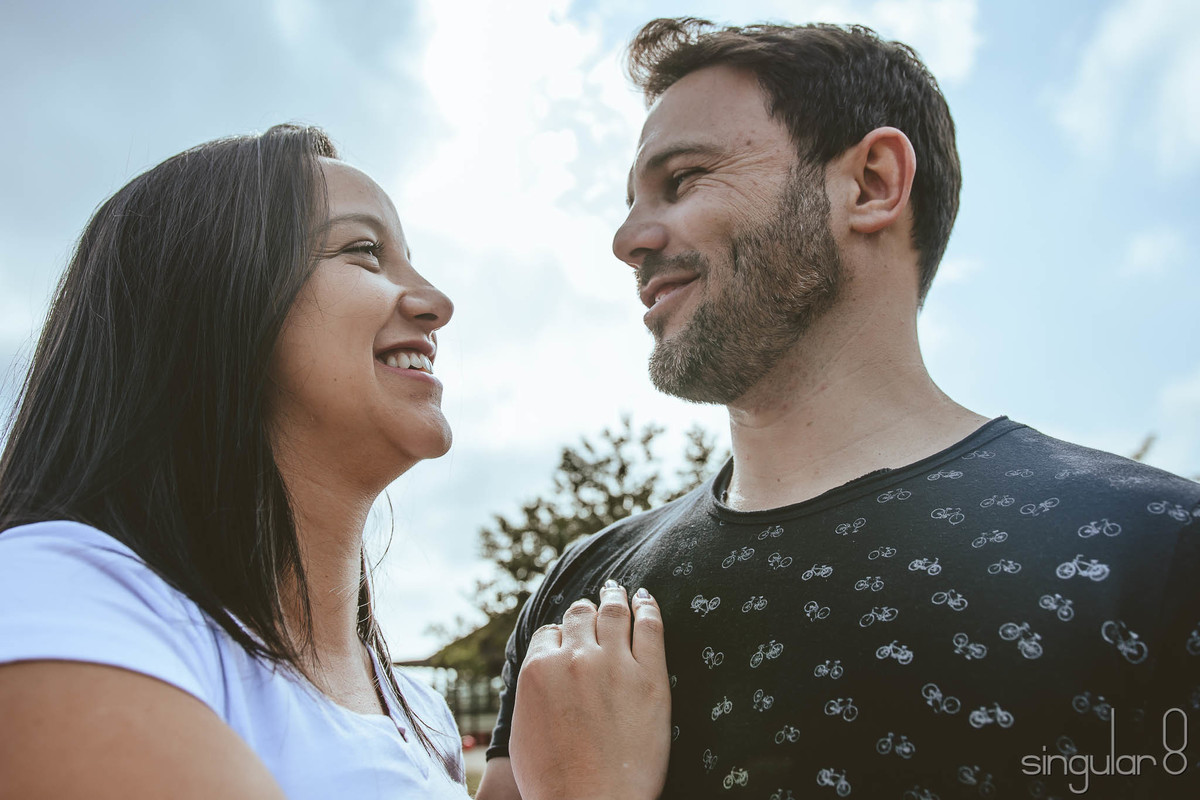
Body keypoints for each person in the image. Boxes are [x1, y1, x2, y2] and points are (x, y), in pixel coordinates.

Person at [480, 18, 1200, 799]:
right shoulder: (581, 594)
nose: (627, 238)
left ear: (872, 184)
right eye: (630, 201)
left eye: (683, 179)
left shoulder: (1161, 554)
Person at [0, 124, 670, 800]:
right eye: (363, 252)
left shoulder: (420, 714)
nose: (435, 304)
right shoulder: (58, 597)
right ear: (212, 299)